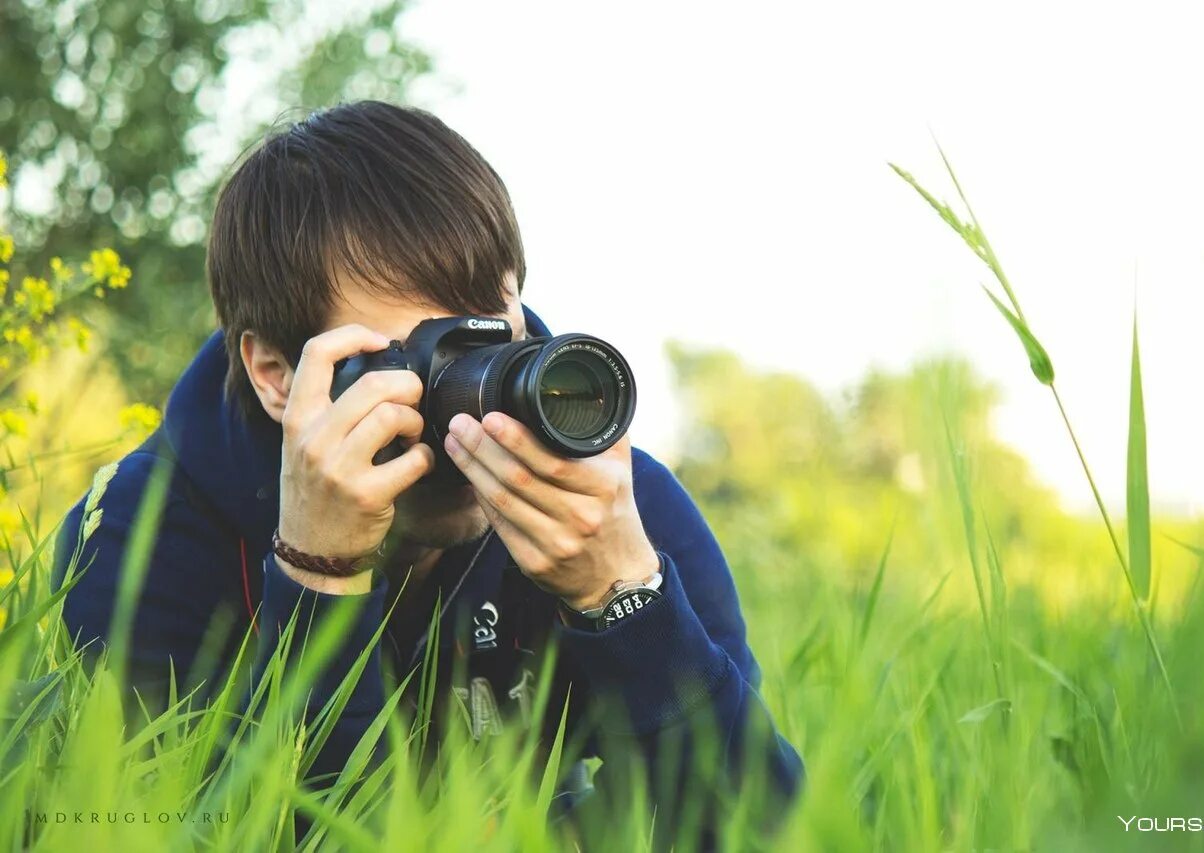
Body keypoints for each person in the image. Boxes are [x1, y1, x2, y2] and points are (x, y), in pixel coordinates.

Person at [51, 100, 802, 840]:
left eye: (488, 352)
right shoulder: (141, 536)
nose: (469, 417)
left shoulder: (612, 510)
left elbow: (767, 830)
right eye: (416, 361)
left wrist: (624, 600)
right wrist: (318, 576)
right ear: (276, 374)